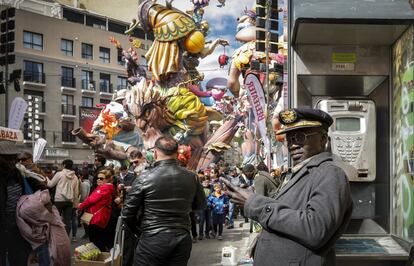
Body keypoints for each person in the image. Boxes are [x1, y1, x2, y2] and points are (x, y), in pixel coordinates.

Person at [223, 107, 353, 266]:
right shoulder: (299, 173)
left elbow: (316, 229)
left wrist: (255, 203)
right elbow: (288, 212)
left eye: (300, 137)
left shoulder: (330, 174)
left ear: (323, 139)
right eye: (289, 139)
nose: (292, 145)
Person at [122, 136, 206, 266]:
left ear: (155, 153)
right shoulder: (192, 177)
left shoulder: (144, 177)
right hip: (181, 238)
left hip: (153, 238)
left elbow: (127, 214)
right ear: (177, 153)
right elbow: (199, 205)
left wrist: (141, 230)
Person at [0, 141, 32, 266]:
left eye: (14, 158)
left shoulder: (17, 174)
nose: (12, 162)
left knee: (19, 258)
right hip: (2, 226)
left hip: (18, 226)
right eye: (8, 158)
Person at [78, 169, 114, 251]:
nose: (98, 180)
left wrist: (81, 205)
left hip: (97, 218)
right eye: (98, 178)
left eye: (101, 178)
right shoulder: (103, 187)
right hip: (97, 217)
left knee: (96, 241)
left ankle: (99, 261)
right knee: (97, 240)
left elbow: (91, 199)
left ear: (107, 179)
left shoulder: (104, 188)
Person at [47, 159, 80, 236]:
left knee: (56, 218)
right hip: (69, 201)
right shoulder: (75, 176)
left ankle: (56, 235)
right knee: (67, 221)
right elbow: (76, 192)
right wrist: (75, 204)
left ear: (64, 165)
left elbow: (50, 185)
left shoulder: (59, 174)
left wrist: (47, 179)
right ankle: (65, 237)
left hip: (59, 200)